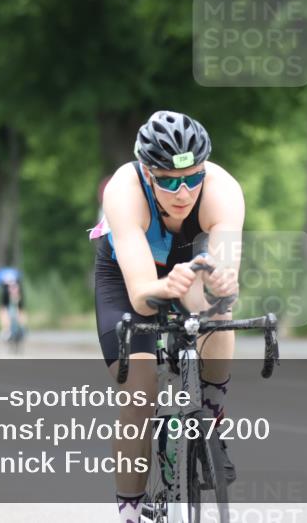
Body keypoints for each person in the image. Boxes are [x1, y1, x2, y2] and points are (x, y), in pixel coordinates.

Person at [90, 110, 243, 523]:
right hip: (127, 276)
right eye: (169, 181)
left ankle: (210, 412)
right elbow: (142, 298)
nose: (183, 191)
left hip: (187, 266)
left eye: (193, 177)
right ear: (147, 171)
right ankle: (130, 511)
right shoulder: (125, 190)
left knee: (217, 311)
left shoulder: (223, 189)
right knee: (139, 395)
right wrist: (163, 288)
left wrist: (221, 285)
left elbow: (222, 273)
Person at [0, 269, 27, 339]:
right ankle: (22, 327)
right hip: (18, 293)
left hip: (6, 294)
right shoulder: (16, 274)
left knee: (2, 310)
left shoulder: (2, 278)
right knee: (20, 309)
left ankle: (6, 330)